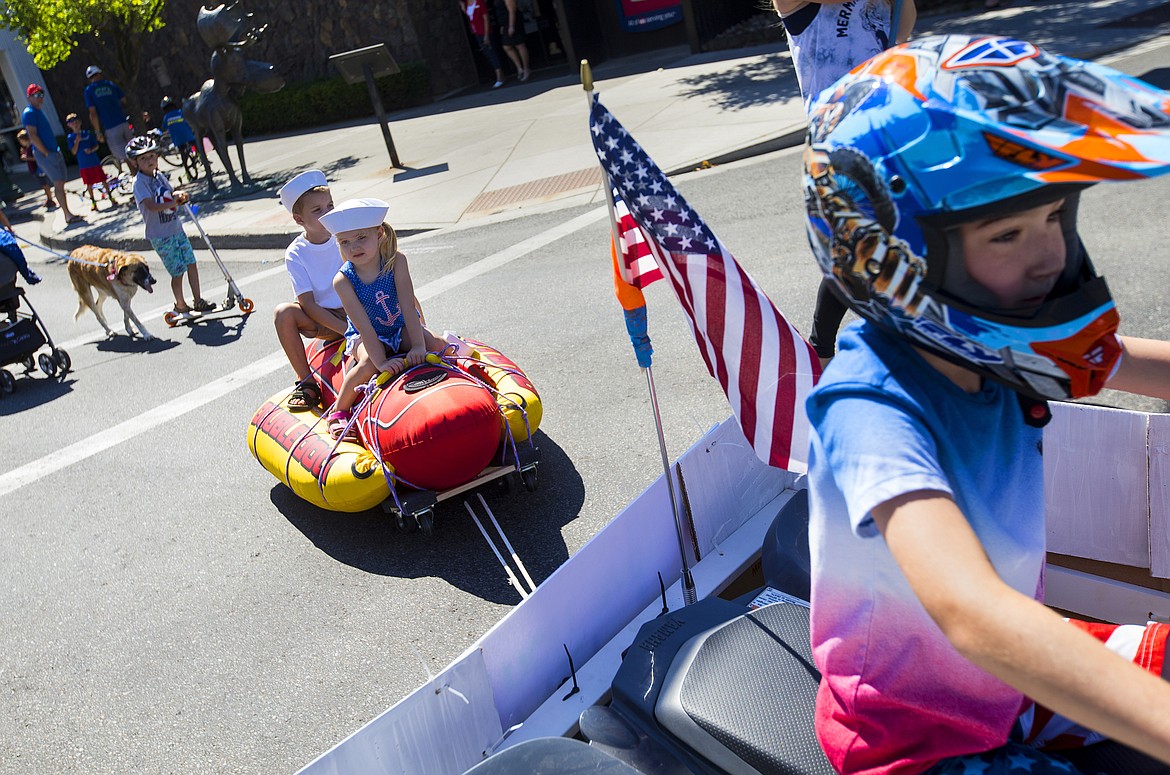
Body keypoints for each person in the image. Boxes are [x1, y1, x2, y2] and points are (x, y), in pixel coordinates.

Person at [801, 35, 1170, 774]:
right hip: (913, 739)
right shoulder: (869, 403)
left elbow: (1133, 362)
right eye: (1006, 233)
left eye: (1056, 219)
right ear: (895, 256)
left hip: (1009, 686)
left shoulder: (1001, 341)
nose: (1050, 257)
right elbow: (969, 609)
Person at [772, 0, 916, 367]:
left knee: (895, 243)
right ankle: (822, 349)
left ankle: (837, 347)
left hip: (887, 133)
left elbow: (903, 30)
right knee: (859, 247)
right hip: (839, 144)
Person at [319, 198, 443, 440]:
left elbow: (408, 307)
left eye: (361, 238)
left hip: (398, 324)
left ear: (380, 234)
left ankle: (461, 367)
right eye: (345, 242)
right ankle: (339, 411)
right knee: (367, 365)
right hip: (365, 335)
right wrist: (381, 363)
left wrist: (418, 345)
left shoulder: (397, 262)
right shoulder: (343, 281)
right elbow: (364, 327)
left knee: (434, 344)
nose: (353, 247)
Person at [273, 170, 347, 412]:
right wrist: (347, 330)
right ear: (299, 219)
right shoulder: (296, 252)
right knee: (283, 313)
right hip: (324, 319)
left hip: (357, 310)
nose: (328, 213)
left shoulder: (345, 235)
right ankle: (307, 383)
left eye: (330, 205)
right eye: (317, 210)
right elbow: (308, 305)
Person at [126, 135, 213, 317]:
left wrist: (178, 194)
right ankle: (180, 304)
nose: (149, 161)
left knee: (191, 263)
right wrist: (172, 203)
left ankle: (198, 300)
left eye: (151, 156)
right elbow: (150, 205)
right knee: (177, 270)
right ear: (135, 163)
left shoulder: (159, 176)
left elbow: (170, 192)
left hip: (176, 228)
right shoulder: (139, 183)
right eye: (143, 158)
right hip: (161, 235)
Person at [22, 84, 82, 225]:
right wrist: (46, 152)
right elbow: (32, 135)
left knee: (61, 182)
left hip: (53, 151)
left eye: (41, 94)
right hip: (46, 154)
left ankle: (68, 213)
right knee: (58, 183)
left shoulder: (38, 111)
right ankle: (67, 215)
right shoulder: (29, 113)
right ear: (29, 97)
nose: (40, 98)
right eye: (36, 95)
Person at [84, 65, 134, 171]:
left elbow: (93, 113)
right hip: (123, 122)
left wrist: (98, 132)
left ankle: (137, 175)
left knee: (125, 156)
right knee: (134, 151)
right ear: (100, 73)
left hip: (110, 127)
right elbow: (125, 100)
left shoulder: (89, 90)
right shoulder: (111, 85)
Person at [66, 113, 120, 211]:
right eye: (73, 123)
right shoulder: (70, 138)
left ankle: (111, 198)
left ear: (80, 123)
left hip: (94, 162)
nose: (75, 125)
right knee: (89, 184)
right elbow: (73, 151)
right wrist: (77, 141)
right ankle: (93, 202)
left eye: (77, 122)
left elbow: (96, 145)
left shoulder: (87, 134)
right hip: (84, 165)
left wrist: (91, 150)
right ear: (69, 125)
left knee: (103, 180)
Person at [461, 0, 507, 89]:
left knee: (491, 52)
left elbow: (486, 18)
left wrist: (486, 35)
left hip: (484, 32)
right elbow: (471, 16)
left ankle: (500, 76)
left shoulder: (479, 2)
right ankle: (499, 74)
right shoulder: (467, 3)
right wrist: (463, 8)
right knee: (487, 53)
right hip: (477, 32)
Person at [16, 129, 57, 212]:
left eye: (21, 141)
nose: (20, 143)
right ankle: (48, 199)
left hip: (38, 169)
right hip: (34, 169)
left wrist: (26, 157)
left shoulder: (32, 147)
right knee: (43, 185)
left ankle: (50, 199)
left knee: (45, 185)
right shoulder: (28, 148)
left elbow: (36, 158)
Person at [495, 0, 530, 82]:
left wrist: (511, 26)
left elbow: (512, 10)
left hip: (513, 22)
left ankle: (526, 69)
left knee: (519, 45)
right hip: (505, 23)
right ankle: (519, 68)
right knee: (507, 46)